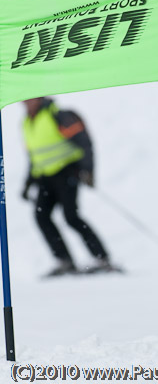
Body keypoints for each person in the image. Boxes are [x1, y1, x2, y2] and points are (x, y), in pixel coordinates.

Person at [21, 97, 115, 277]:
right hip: (45, 177)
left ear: (39, 97)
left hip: (66, 172)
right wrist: (28, 183)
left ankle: (103, 258)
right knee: (41, 216)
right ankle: (65, 261)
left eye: (29, 99)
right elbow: (34, 156)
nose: (25, 102)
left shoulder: (57, 115)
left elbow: (84, 141)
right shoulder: (26, 122)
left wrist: (88, 170)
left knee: (71, 216)